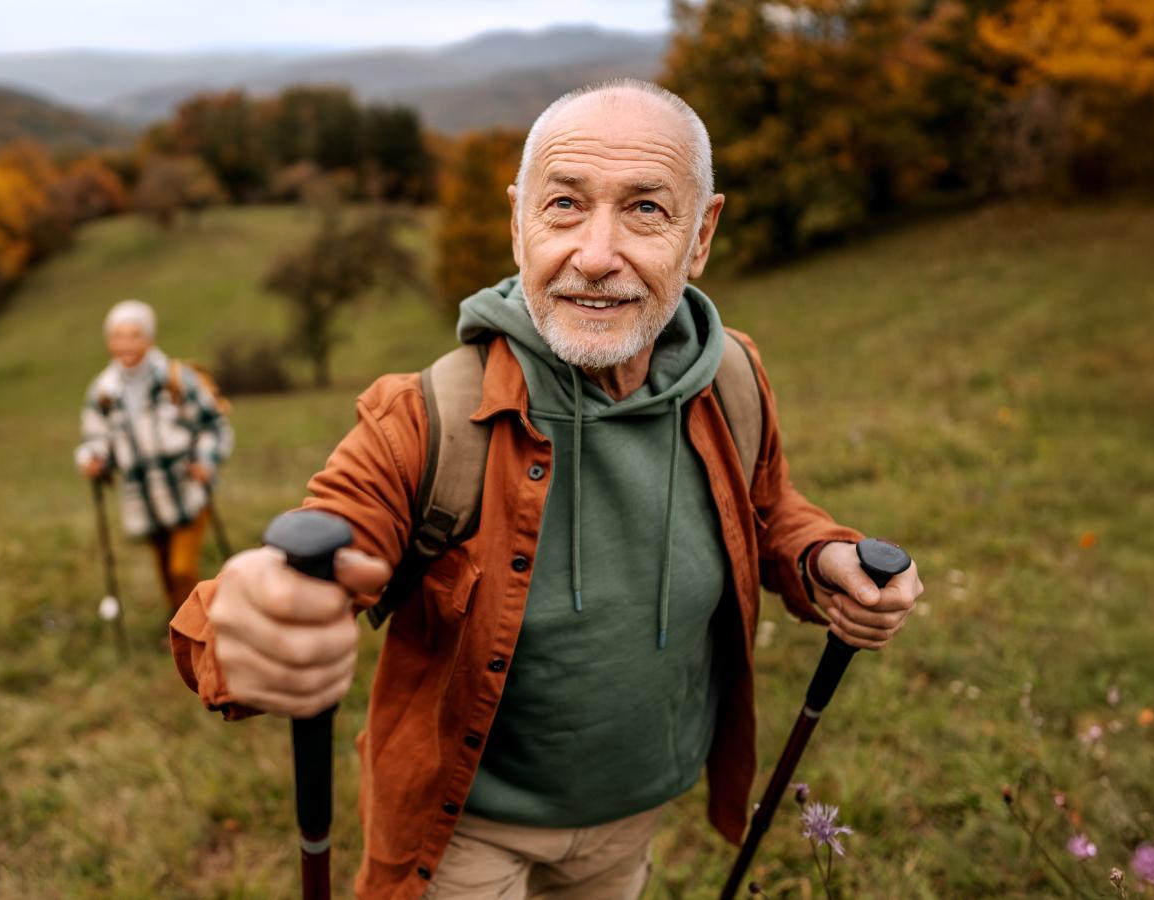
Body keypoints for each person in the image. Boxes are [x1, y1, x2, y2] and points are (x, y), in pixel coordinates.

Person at [170, 79, 923, 899]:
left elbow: (765, 505)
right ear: (518, 220)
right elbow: (321, 544)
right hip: (460, 837)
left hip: (630, 817)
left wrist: (819, 557)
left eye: (645, 210)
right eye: (564, 205)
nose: (596, 256)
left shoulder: (729, 376)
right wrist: (252, 622)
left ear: (701, 234)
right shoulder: (428, 417)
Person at [76, 299, 233, 614]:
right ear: (109, 342)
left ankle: (204, 629)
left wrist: (206, 459)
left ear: (149, 339)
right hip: (143, 498)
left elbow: (213, 425)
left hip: (186, 489)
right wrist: (93, 459)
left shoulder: (176, 378)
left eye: (135, 335)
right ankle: (180, 631)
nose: (126, 344)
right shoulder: (103, 391)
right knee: (164, 568)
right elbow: (96, 439)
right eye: (118, 336)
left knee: (181, 569)